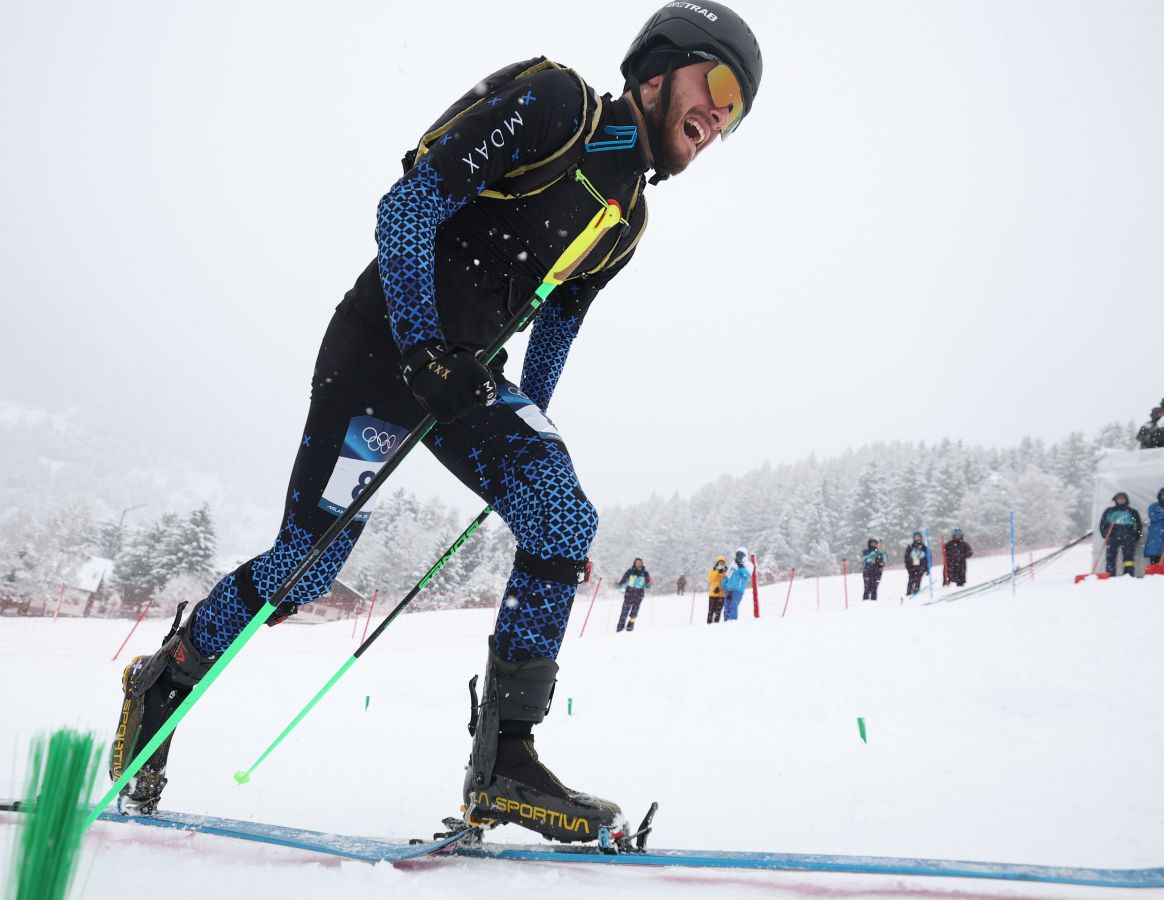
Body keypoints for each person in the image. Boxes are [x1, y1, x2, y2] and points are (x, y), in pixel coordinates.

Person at [108, 2, 763, 846]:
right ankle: (166, 678)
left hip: (463, 377)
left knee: (559, 512)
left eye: (735, 114)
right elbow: (409, 205)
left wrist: (527, 437)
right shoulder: (558, 104)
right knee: (307, 567)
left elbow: (555, 328)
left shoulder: (626, 220)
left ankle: (505, 765)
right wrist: (421, 347)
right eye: (717, 85)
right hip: (383, 348)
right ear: (659, 66)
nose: (718, 117)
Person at [1098, 492, 1143, 577]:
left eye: (1123, 499)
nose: (1121, 500)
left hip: (1128, 537)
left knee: (1128, 559)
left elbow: (1138, 525)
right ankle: (1110, 576)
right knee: (1110, 558)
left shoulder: (1132, 512)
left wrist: (1135, 536)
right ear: (1115, 500)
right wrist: (1105, 534)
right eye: (1119, 499)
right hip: (1112, 537)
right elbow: (1102, 524)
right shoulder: (1109, 511)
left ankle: (1128, 576)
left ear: (1126, 500)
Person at [614, 558, 653, 632]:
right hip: (630, 592)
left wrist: (650, 584)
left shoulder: (645, 573)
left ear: (642, 564)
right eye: (637, 563)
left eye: (640, 563)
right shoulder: (630, 571)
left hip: (639, 593)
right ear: (634, 563)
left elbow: (647, 586)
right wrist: (617, 586)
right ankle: (620, 627)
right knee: (625, 610)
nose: (639, 564)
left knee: (635, 611)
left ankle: (630, 626)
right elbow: (623, 581)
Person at [722, 547, 753, 620]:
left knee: (733, 605)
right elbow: (728, 576)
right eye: (737, 554)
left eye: (741, 554)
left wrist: (741, 566)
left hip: (738, 590)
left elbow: (746, 575)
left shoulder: (749, 564)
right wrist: (722, 585)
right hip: (728, 589)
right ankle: (726, 622)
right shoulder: (733, 564)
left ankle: (733, 622)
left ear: (745, 556)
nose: (739, 556)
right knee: (726, 607)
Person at [903, 532, 929, 596]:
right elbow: (906, 558)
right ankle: (909, 592)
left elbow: (927, 558)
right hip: (912, 567)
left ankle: (916, 591)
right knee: (911, 580)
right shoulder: (910, 547)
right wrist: (908, 567)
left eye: (918, 537)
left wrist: (927, 568)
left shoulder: (924, 547)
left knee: (918, 579)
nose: (917, 538)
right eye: (916, 537)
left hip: (921, 566)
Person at [706, 556, 729, 623]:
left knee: (718, 611)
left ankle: (716, 624)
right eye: (719, 563)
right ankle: (709, 623)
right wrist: (717, 571)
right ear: (717, 563)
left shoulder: (725, 573)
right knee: (711, 610)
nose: (721, 565)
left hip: (721, 595)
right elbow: (710, 578)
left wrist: (724, 572)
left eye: (722, 563)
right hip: (713, 594)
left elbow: (727, 582)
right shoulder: (713, 570)